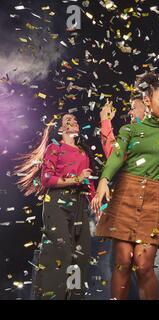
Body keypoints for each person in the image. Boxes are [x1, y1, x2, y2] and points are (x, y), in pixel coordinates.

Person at [91, 72, 159, 300]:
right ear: (147, 101)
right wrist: (103, 181)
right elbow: (116, 156)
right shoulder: (129, 131)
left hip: (153, 199)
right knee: (122, 263)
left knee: (143, 265)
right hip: (125, 196)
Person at [16, 113, 96, 299]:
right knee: (61, 253)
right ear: (60, 129)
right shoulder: (55, 147)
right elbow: (46, 179)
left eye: (76, 119)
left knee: (80, 257)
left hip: (80, 203)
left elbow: (89, 181)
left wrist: (97, 205)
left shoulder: (84, 152)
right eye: (68, 119)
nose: (74, 121)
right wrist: (76, 178)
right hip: (57, 202)